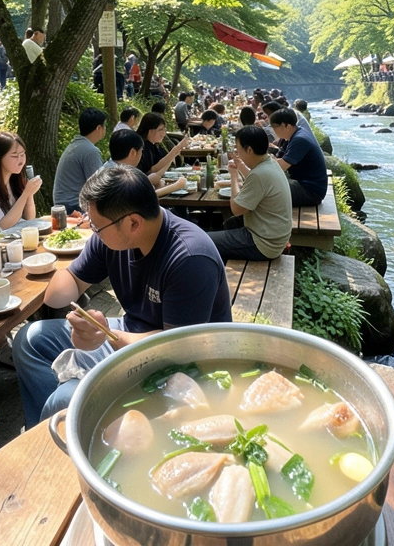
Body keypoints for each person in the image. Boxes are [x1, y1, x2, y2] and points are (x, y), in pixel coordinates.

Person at [14, 165, 232, 426]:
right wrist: (79, 314)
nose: (93, 232)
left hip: (183, 358)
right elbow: (65, 285)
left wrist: (104, 334)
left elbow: (176, 346)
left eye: (97, 227)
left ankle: (67, 420)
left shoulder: (189, 257)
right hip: (127, 332)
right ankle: (54, 427)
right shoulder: (112, 235)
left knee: (65, 400)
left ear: (133, 223)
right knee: (30, 339)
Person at [210, 125, 292, 261]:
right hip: (275, 238)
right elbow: (256, 181)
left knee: (204, 242)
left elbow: (236, 208)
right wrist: (241, 166)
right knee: (229, 224)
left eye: (238, 149)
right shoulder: (271, 163)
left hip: (263, 245)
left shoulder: (260, 174)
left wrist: (234, 176)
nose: (237, 153)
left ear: (249, 149)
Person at [269, 108, 328, 207]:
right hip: (304, 185)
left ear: (285, 125)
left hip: (309, 192)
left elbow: (281, 166)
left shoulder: (299, 139)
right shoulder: (298, 133)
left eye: (274, 127)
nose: (273, 130)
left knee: (266, 189)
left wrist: (263, 159)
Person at [54, 108, 107, 213]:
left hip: (62, 204)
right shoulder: (90, 151)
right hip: (73, 206)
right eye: (105, 125)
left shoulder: (77, 144)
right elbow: (99, 186)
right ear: (99, 128)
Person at [106, 130, 188, 195]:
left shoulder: (108, 167)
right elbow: (145, 199)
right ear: (133, 152)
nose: (142, 154)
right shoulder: (122, 176)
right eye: (141, 151)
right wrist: (177, 185)